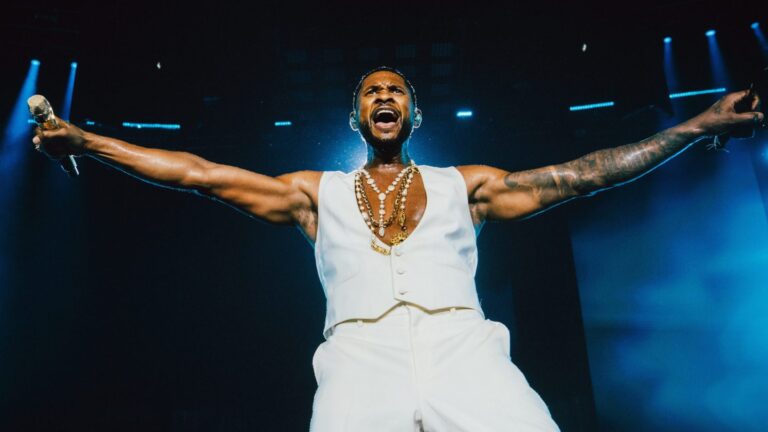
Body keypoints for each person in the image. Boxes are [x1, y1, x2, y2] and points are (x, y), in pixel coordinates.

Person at [32, 66, 763, 431]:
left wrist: (696, 125)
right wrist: (86, 141)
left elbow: (585, 174)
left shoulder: (466, 185)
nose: (384, 96)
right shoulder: (313, 192)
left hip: (465, 350)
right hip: (358, 360)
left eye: (398, 90)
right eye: (371, 91)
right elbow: (199, 174)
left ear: (414, 112)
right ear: (356, 116)